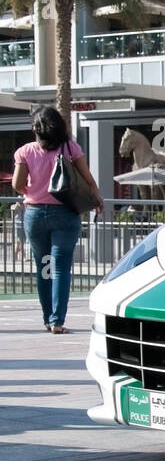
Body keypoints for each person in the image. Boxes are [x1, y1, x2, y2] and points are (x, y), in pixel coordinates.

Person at [11, 106, 104, 333]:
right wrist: (97, 200)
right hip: (65, 213)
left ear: (36, 129)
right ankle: (57, 321)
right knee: (61, 269)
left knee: (44, 267)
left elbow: (17, 185)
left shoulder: (25, 152)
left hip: (34, 215)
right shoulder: (70, 148)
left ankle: (47, 318)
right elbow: (88, 180)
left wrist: (31, 192)